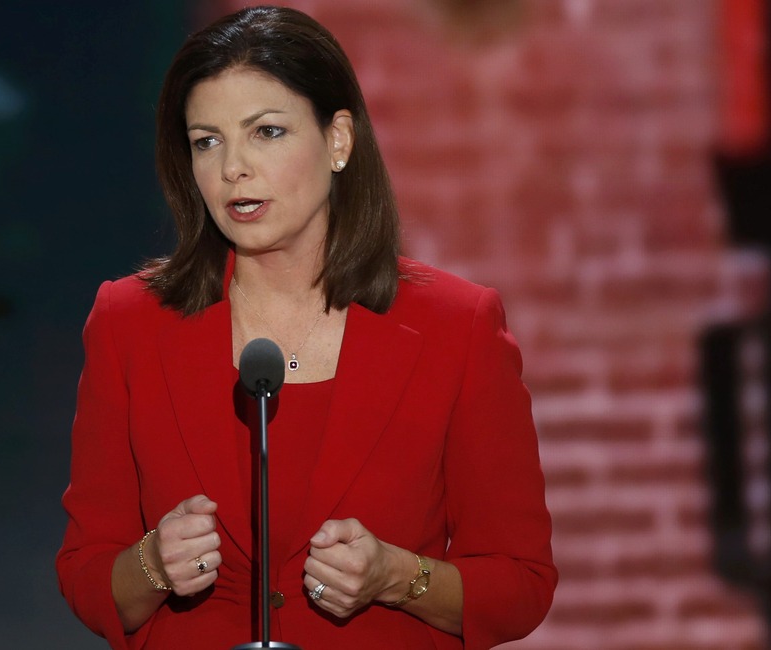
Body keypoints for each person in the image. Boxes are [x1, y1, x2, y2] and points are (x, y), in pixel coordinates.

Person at [56, 6, 556, 649]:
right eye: (206, 140)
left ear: (339, 139)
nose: (233, 166)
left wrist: (398, 577)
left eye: (265, 132)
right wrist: (153, 565)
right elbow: (87, 573)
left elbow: (521, 584)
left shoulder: (457, 328)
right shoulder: (128, 323)